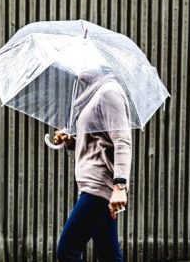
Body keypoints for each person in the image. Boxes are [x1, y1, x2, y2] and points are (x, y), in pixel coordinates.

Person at [54, 68, 132, 262]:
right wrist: (71, 141)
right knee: (109, 256)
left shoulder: (108, 92)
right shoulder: (94, 93)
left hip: (99, 188)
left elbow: (122, 141)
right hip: (92, 186)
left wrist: (120, 185)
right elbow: (99, 141)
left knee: (67, 251)